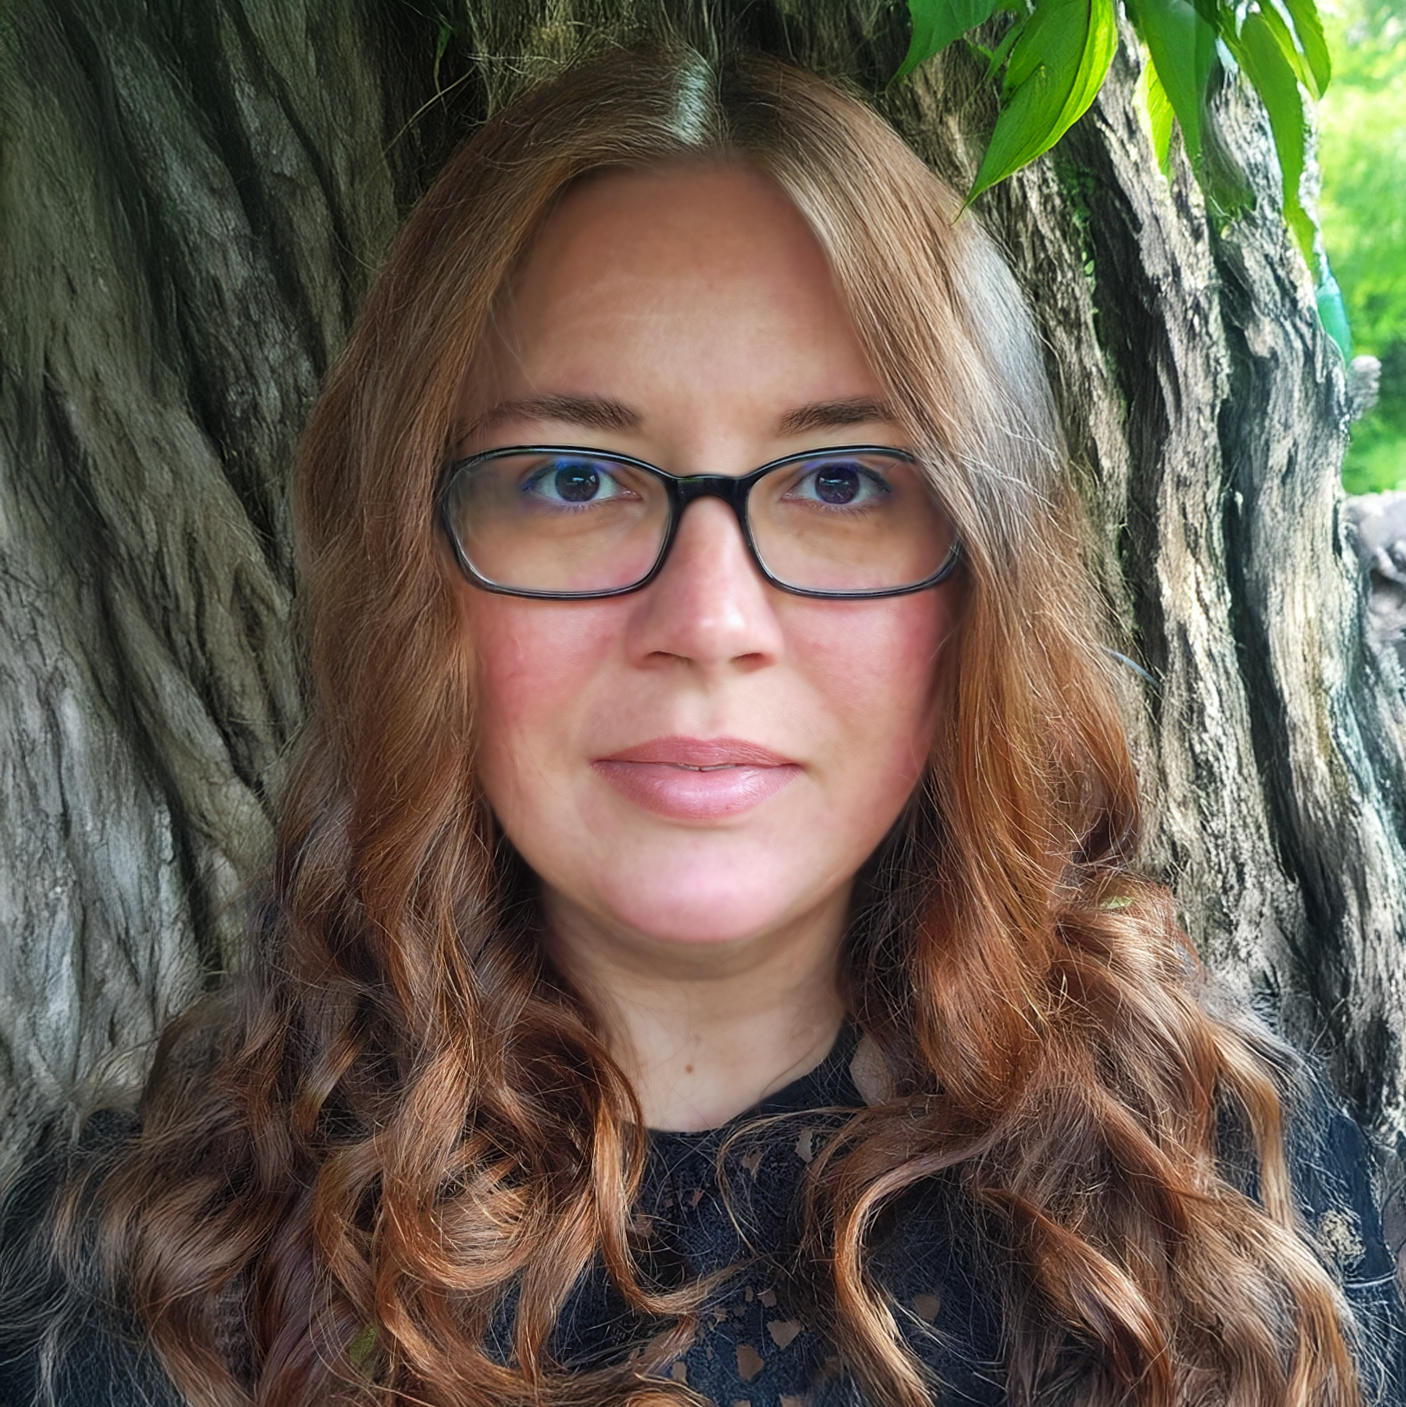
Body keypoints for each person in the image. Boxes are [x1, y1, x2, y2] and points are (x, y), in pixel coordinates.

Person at [1, 40, 1402, 1407]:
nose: (709, 616)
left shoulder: (1221, 1210)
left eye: (841, 481)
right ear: (411, 567)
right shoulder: (141, 1298)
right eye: (569, 475)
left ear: (976, 583)